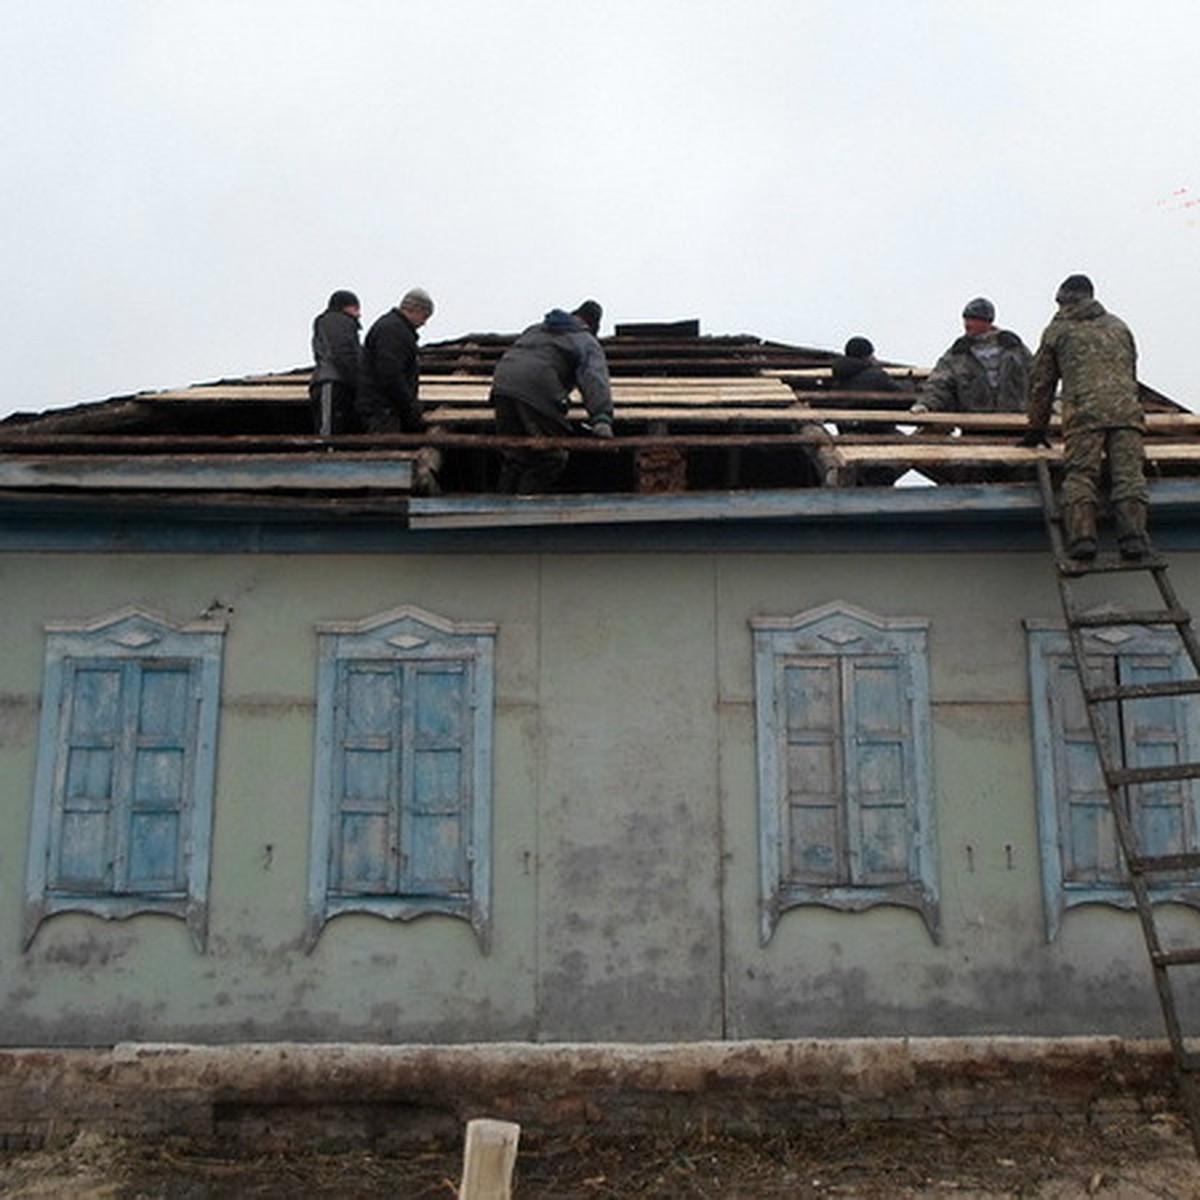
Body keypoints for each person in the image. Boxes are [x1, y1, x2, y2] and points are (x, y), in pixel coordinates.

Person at [1021, 274, 1148, 561]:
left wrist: (1035, 428)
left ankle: (1083, 540)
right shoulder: (1119, 326)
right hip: (1127, 414)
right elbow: (1131, 373)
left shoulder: (1059, 330)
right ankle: (1134, 538)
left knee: (1080, 476)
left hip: (1085, 415)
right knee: (1129, 476)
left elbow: (1042, 384)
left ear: (1066, 300)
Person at [490, 300, 615, 494]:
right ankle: (522, 511)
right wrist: (601, 417)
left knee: (516, 456)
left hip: (502, 385)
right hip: (537, 386)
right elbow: (593, 377)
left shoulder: (535, 330)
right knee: (551, 456)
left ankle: (499, 509)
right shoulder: (584, 339)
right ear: (592, 325)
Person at [357, 287, 441, 494]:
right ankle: (378, 505)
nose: (424, 322)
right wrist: (410, 408)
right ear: (415, 310)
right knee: (384, 462)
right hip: (383, 408)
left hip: (382, 405)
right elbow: (391, 375)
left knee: (385, 459)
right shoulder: (394, 331)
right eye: (425, 316)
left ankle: (379, 497)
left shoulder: (392, 328)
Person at [912, 297, 1031, 414]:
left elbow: (1037, 375)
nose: (967, 324)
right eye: (966, 319)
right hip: (974, 424)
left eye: (973, 319)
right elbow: (939, 383)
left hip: (1015, 422)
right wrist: (926, 404)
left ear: (987, 321)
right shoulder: (958, 353)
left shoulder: (1013, 347)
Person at [309, 290, 362, 435]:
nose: (359, 314)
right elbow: (342, 353)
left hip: (337, 381)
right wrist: (359, 380)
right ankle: (326, 453)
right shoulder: (337, 321)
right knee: (329, 430)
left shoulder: (333, 323)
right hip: (333, 381)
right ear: (347, 307)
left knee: (336, 427)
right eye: (357, 309)